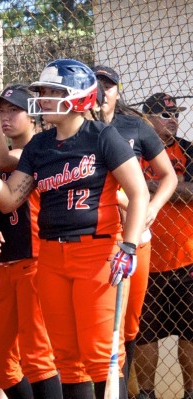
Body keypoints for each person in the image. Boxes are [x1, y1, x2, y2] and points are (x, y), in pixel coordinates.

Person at [0, 59, 149, 399]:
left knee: (101, 355)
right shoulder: (39, 146)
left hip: (97, 253)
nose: (43, 98)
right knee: (67, 357)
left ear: (78, 96)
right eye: (43, 91)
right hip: (50, 255)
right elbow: (7, 200)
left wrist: (130, 245)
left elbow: (138, 192)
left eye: (52, 91)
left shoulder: (102, 136)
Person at [92, 67, 178, 391]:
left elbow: (168, 176)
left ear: (117, 90)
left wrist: (152, 208)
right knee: (100, 328)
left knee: (128, 327)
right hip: (94, 239)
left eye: (109, 85)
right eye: (96, 83)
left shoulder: (135, 127)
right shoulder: (78, 130)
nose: (103, 90)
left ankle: (124, 390)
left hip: (134, 240)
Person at [0, 82, 62, 399]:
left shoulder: (36, 150)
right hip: (7, 268)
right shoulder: (4, 156)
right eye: (1, 110)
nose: (6, 116)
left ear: (35, 116)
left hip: (34, 264)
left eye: (15, 110)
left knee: (38, 357)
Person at [134, 92, 193, 399]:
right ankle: (146, 394)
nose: (174, 119)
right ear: (147, 119)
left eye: (176, 114)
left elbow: (189, 192)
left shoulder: (188, 150)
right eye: (165, 114)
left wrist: (146, 184)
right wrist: (170, 184)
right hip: (146, 259)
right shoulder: (132, 151)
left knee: (190, 332)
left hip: (187, 258)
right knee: (146, 334)